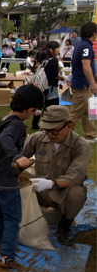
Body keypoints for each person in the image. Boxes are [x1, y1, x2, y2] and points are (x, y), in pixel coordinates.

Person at [0, 84, 44, 268]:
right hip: (7, 180)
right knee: (13, 217)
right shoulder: (17, 125)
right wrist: (17, 156)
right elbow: (5, 138)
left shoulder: (5, 119)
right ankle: (6, 256)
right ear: (30, 109)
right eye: (35, 111)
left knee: (1, 211)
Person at [23, 105, 91, 245]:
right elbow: (19, 156)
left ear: (69, 126)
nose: (50, 135)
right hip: (38, 192)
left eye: (54, 131)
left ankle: (65, 224)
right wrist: (19, 164)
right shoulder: (37, 138)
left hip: (62, 193)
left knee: (77, 193)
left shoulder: (81, 146)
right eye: (46, 130)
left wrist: (50, 184)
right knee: (16, 179)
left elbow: (75, 177)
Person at [70, 21, 97, 143]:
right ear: (94, 33)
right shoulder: (86, 47)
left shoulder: (81, 45)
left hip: (82, 83)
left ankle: (91, 135)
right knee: (75, 113)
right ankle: (64, 135)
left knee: (89, 111)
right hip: (82, 84)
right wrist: (93, 83)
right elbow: (86, 66)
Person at [31, 42, 65, 129]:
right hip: (51, 87)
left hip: (42, 86)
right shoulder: (53, 60)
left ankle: (35, 124)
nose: (58, 50)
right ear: (51, 49)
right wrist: (61, 77)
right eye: (57, 48)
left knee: (40, 105)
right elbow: (54, 75)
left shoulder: (44, 60)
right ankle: (46, 125)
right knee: (51, 108)